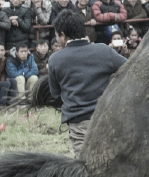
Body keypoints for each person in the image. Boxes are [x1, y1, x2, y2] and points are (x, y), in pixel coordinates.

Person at [47, 9, 126, 157]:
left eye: (56, 35)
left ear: (63, 34)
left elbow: (55, 94)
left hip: (79, 123)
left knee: (86, 164)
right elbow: (130, 68)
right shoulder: (104, 50)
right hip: (108, 118)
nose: (57, 39)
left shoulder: (55, 60)